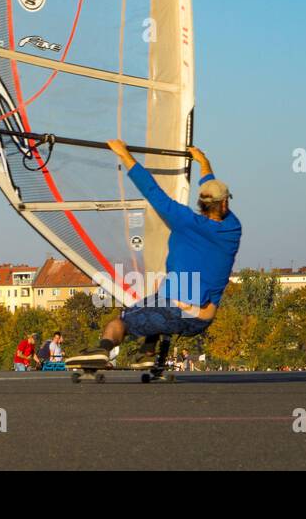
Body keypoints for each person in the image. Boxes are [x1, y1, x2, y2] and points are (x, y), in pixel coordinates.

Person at [67, 143, 242, 367]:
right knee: (157, 303)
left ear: (201, 203)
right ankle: (147, 354)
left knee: (122, 320)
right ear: (225, 203)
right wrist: (202, 161)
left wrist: (124, 154)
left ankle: (102, 350)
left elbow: (152, 191)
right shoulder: (233, 228)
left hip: (175, 309)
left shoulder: (184, 220)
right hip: (201, 321)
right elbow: (212, 189)